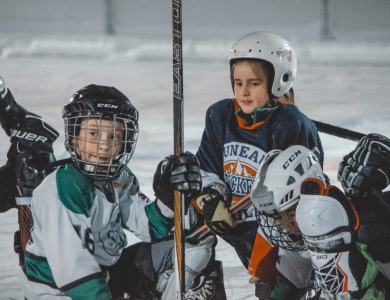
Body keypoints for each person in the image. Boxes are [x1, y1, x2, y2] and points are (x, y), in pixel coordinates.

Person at [15, 84, 212, 300]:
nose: (104, 145)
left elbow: (147, 227)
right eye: (93, 133)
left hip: (105, 276)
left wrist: (166, 197)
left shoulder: (118, 177)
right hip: (59, 293)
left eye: (114, 136)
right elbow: (74, 272)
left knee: (193, 246)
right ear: (74, 138)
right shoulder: (63, 189)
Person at [192, 31, 324, 298]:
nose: (243, 91)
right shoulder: (220, 115)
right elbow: (206, 166)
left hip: (279, 235)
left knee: (277, 293)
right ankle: (201, 286)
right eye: (238, 82)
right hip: (234, 222)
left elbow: (307, 190)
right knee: (185, 212)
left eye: (254, 83)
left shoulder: (289, 123)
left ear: (278, 82)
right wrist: (212, 200)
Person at [250, 143, 390, 300]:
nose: (287, 225)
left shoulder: (367, 228)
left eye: (290, 213)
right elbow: (285, 288)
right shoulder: (294, 246)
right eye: (278, 218)